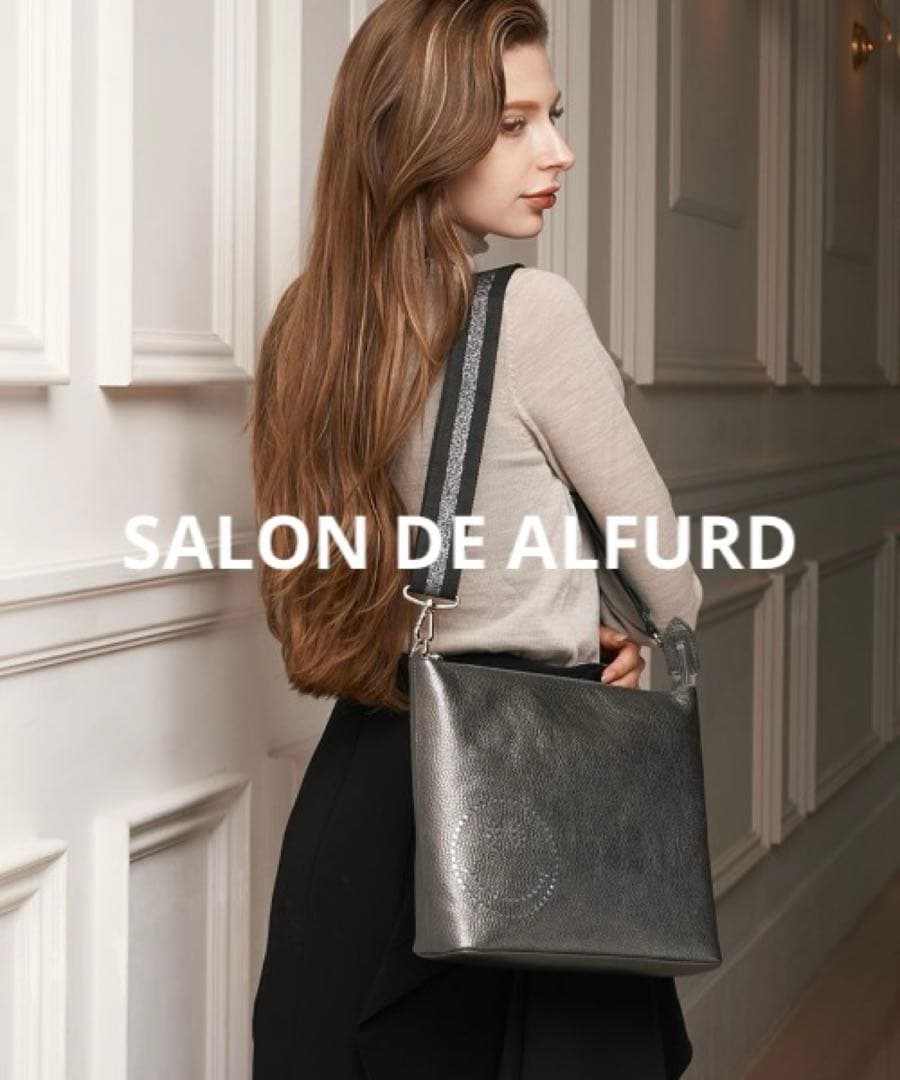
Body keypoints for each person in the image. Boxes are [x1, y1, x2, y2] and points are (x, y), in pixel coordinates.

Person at [247, 1, 703, 1076]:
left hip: (364, 799)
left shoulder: (307, 326)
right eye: (512, 123)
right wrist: (616, 624)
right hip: (525, 795)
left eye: (554, 115)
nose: (558, 151)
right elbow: (671, 584)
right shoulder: (529, 314)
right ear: (418, 135)